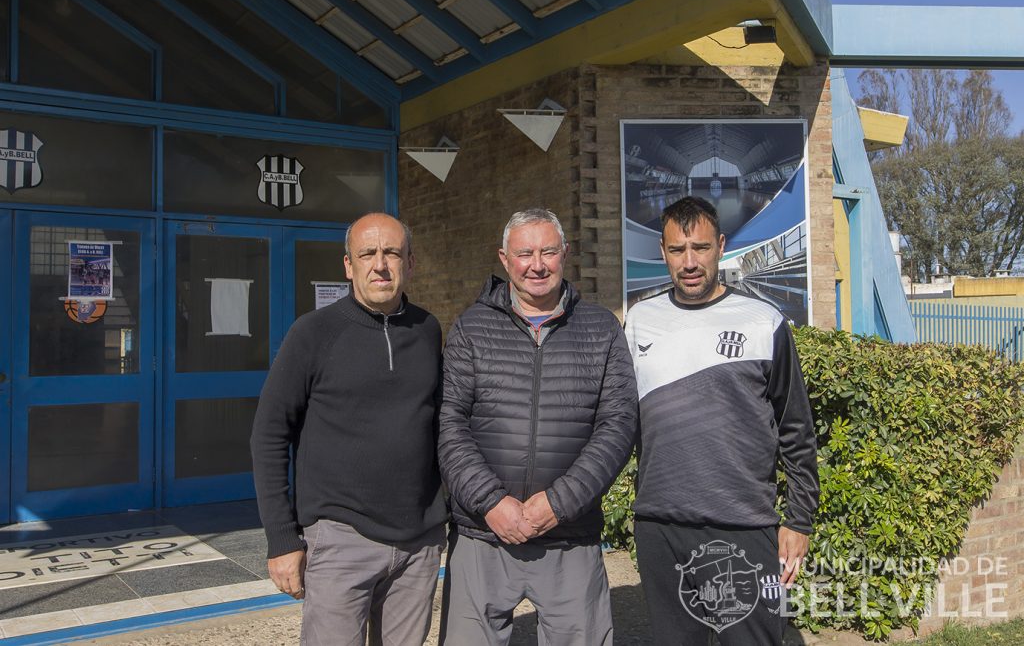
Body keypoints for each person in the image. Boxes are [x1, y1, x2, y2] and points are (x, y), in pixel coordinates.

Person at [437, 208, 638, 646]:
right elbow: (450, 424)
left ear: (565, 254)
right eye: (524, 253)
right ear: (504, 259)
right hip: (483, 534)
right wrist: (491, 502)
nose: (537, 264)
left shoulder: (601, 328)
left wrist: (560, 502)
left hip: (569, 536)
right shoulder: (471, 328)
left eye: (548, 251)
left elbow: (619, 425)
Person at [624, 196, 819, 646]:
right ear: (662, 251)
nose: (690, 262)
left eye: (701, 248)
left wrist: (799, 520)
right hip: (660, 527)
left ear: (721, 246)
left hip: (746, 528)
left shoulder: (764, 322)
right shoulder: (639, 322)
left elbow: (796, 431)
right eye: (677, 250)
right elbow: (618, 423)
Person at [251, 212, 447, 646]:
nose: (380, 264)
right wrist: (282, 540)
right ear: (348, 265)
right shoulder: (313, 333)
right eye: (368, 253)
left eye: (392, 253)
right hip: (341, 540)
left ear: (410, 263)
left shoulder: (428, 330)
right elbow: (268, 435)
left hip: (418, 544)